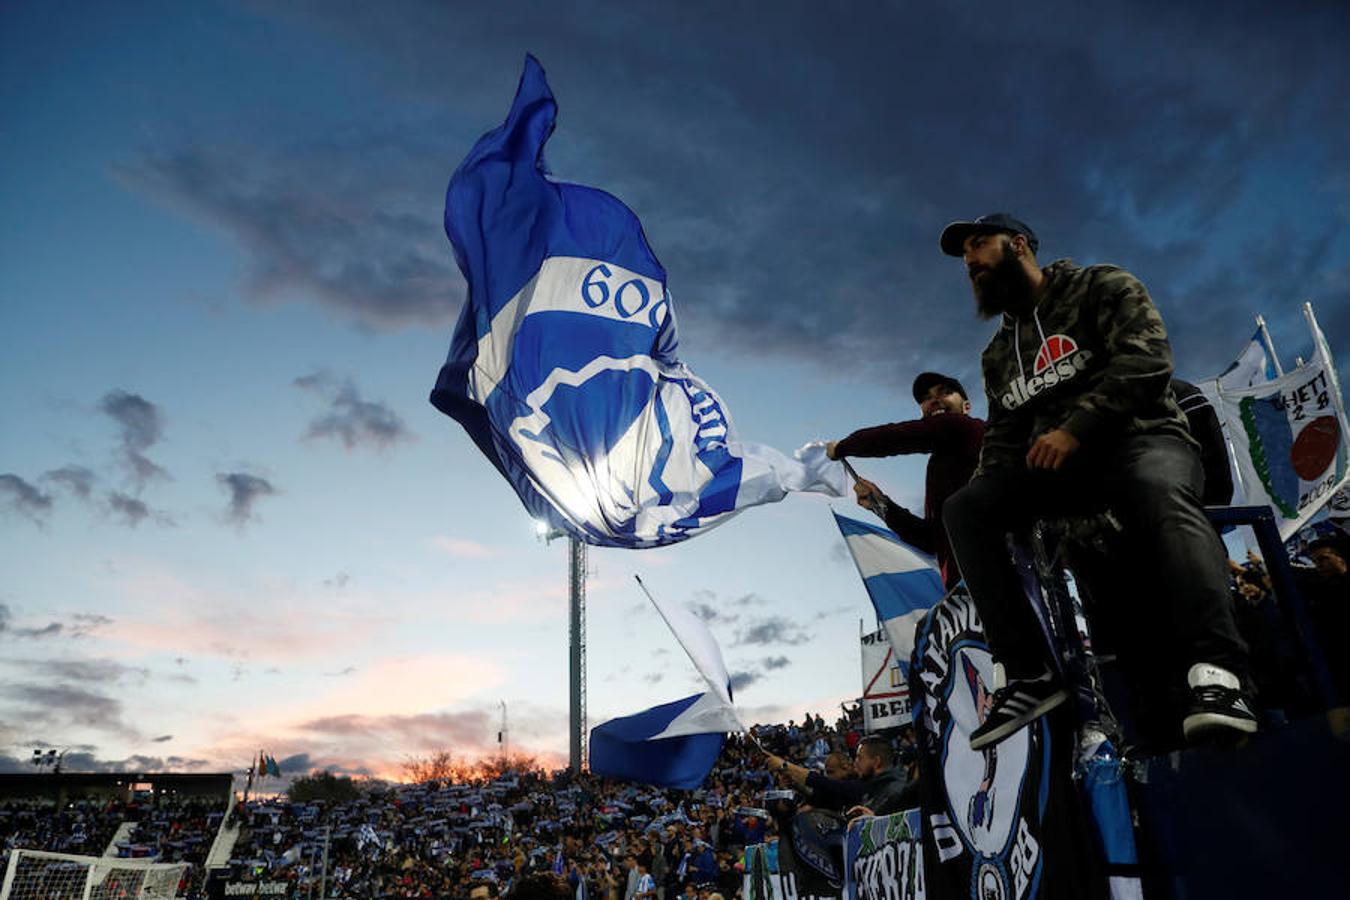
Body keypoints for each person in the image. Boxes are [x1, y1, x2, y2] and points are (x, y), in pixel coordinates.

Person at [937, 212, 1256, 751]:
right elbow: (1006, 437)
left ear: (1019, 245)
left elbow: (1147, 359)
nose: (970, 261)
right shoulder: (997, 355)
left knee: (1158, 489)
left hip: (1144, 439)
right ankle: (1027, 674)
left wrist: (1075, 427)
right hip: (1068, 478)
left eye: (980, 245)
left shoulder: (1100, 286)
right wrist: (991, 490)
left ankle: (1219, 675)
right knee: (966, 508)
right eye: (964, 255)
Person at [827, 372, 986, 588]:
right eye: (927, 398)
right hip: (966, 592)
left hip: (1003, 570)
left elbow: (896, 437)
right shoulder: (940, 464)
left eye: (945, 392)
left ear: (966, 407)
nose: (935, 400)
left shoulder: (969, 428)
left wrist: (843, 447)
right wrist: (881, 503)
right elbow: (931, 540)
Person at [761, 749, 864, 813]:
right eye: (826, 773)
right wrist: (794, 784)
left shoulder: (856, 785)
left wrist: (785, 766)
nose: (828, 776)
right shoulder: (832, 792)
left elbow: (822, 782)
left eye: (831, 772)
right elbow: (815, 797)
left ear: (845, 768)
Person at [844, 736, 913, 817]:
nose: (855, 763)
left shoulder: (894, 791)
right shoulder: (876, 786)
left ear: (876, 761)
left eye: (860, 758)